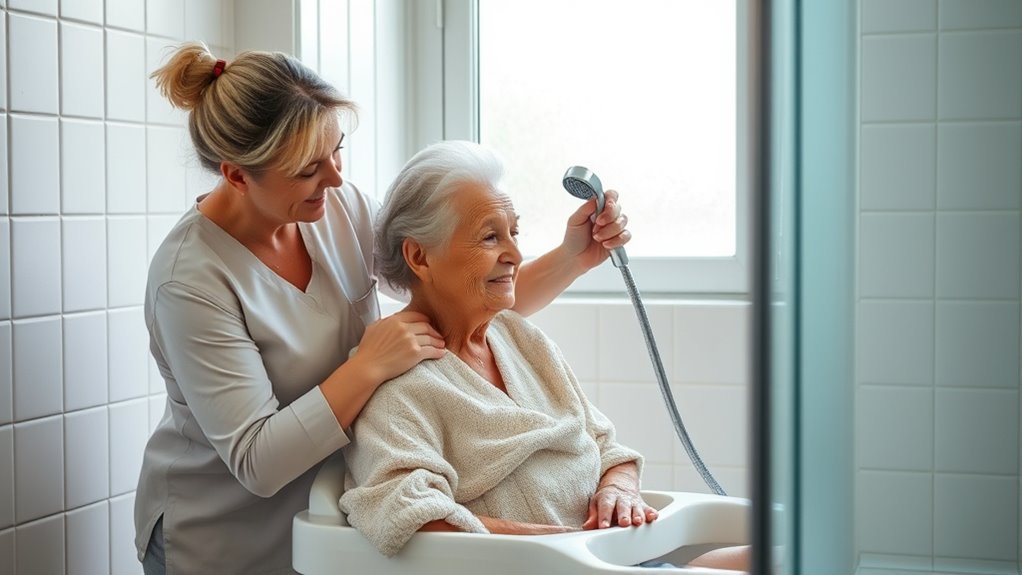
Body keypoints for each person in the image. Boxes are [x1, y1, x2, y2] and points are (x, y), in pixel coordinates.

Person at [136, 44, 633, 575]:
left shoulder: (336, 208)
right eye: (309, 168)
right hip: (224, 537)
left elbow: (455, 286)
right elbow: (256, 462)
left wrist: (573, 258)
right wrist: (367, 367)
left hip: (327, 523)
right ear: (237, 176)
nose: (334, 177)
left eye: (337, 150)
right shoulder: (190, 281)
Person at [339, 141, 749, 572]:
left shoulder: (519, 338)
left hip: (615, 560)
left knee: (797, 552)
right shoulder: (400, 382)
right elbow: (410, 514)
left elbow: (608, 447)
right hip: (563, 565)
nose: (515, 254)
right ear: (420, 256)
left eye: (515, 233)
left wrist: (620, 490)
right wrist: (570, 544)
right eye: (490, 236)